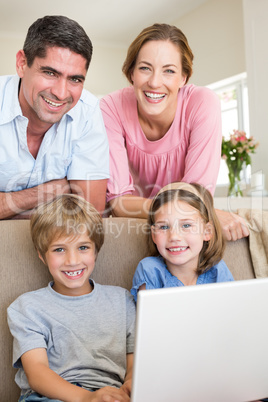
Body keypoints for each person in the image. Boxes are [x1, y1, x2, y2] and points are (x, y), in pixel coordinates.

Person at [100, 23, 249, 241]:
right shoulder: (110, 107)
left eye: (169, 71)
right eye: (144, 68)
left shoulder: (202, 103)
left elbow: (197, 196)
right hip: (133, 227)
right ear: (131, 73)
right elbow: (119, 203)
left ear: (184, 78)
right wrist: (199, 211)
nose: (154, 82)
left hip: (182, 229)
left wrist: (190, 208)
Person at [7, 194, 135, 402]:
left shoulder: (122, 300)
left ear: (96, 250)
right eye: (59, 250)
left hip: (110, 394)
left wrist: (129, 387)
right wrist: (88, 398)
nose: (73, 260)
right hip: (48, 397)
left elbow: (133, 364)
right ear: (42, 255)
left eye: (83, 247)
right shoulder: (27, 307)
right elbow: (37, 373)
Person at [0, 15, 109, 219]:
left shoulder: (88, 111)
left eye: (75, 79)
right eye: (50, 73)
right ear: (22, 63)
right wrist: (50, 191)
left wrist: (7, 204)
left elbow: (90, 215)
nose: (61, 93)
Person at [130, 182, 234, 302]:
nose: (174, 237)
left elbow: (231, 313)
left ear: (207, 231)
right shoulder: (150, 270)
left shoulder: (217, 269)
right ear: (153, 235)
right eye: (164, 227)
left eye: (186, 225)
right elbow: (150, 318)